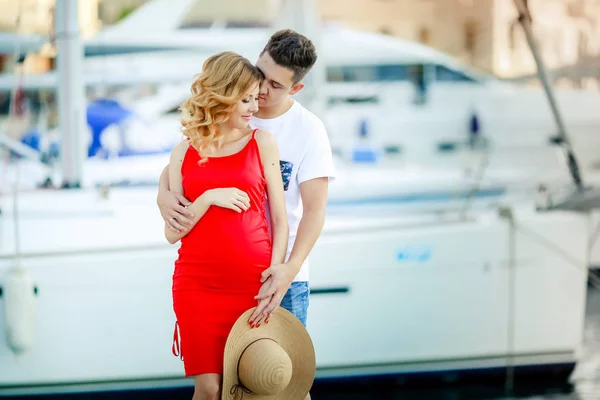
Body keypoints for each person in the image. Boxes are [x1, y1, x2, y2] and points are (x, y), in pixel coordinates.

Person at [158, 31, 335, 399]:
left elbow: (314, 213)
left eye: (274, 86)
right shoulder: (226, 121)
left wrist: (287, 270)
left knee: (281, 388)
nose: (261, 94)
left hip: (281, 275)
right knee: (218, 389)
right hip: (212, 275)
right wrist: (165, 196)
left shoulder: (307, 131)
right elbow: (185, 167)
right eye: (260, 76)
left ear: (295, 89)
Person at [165, 51, 288, 400]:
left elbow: (279, 218)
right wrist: (207, 198)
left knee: (250, 387)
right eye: (245, 99)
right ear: (223, 96)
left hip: (251, 284)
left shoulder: (262, 143)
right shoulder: (182, 153)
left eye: (255, 98)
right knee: (209, 390)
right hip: (197, 285)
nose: (253, 107)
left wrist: (276, 272)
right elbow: (172, 232)